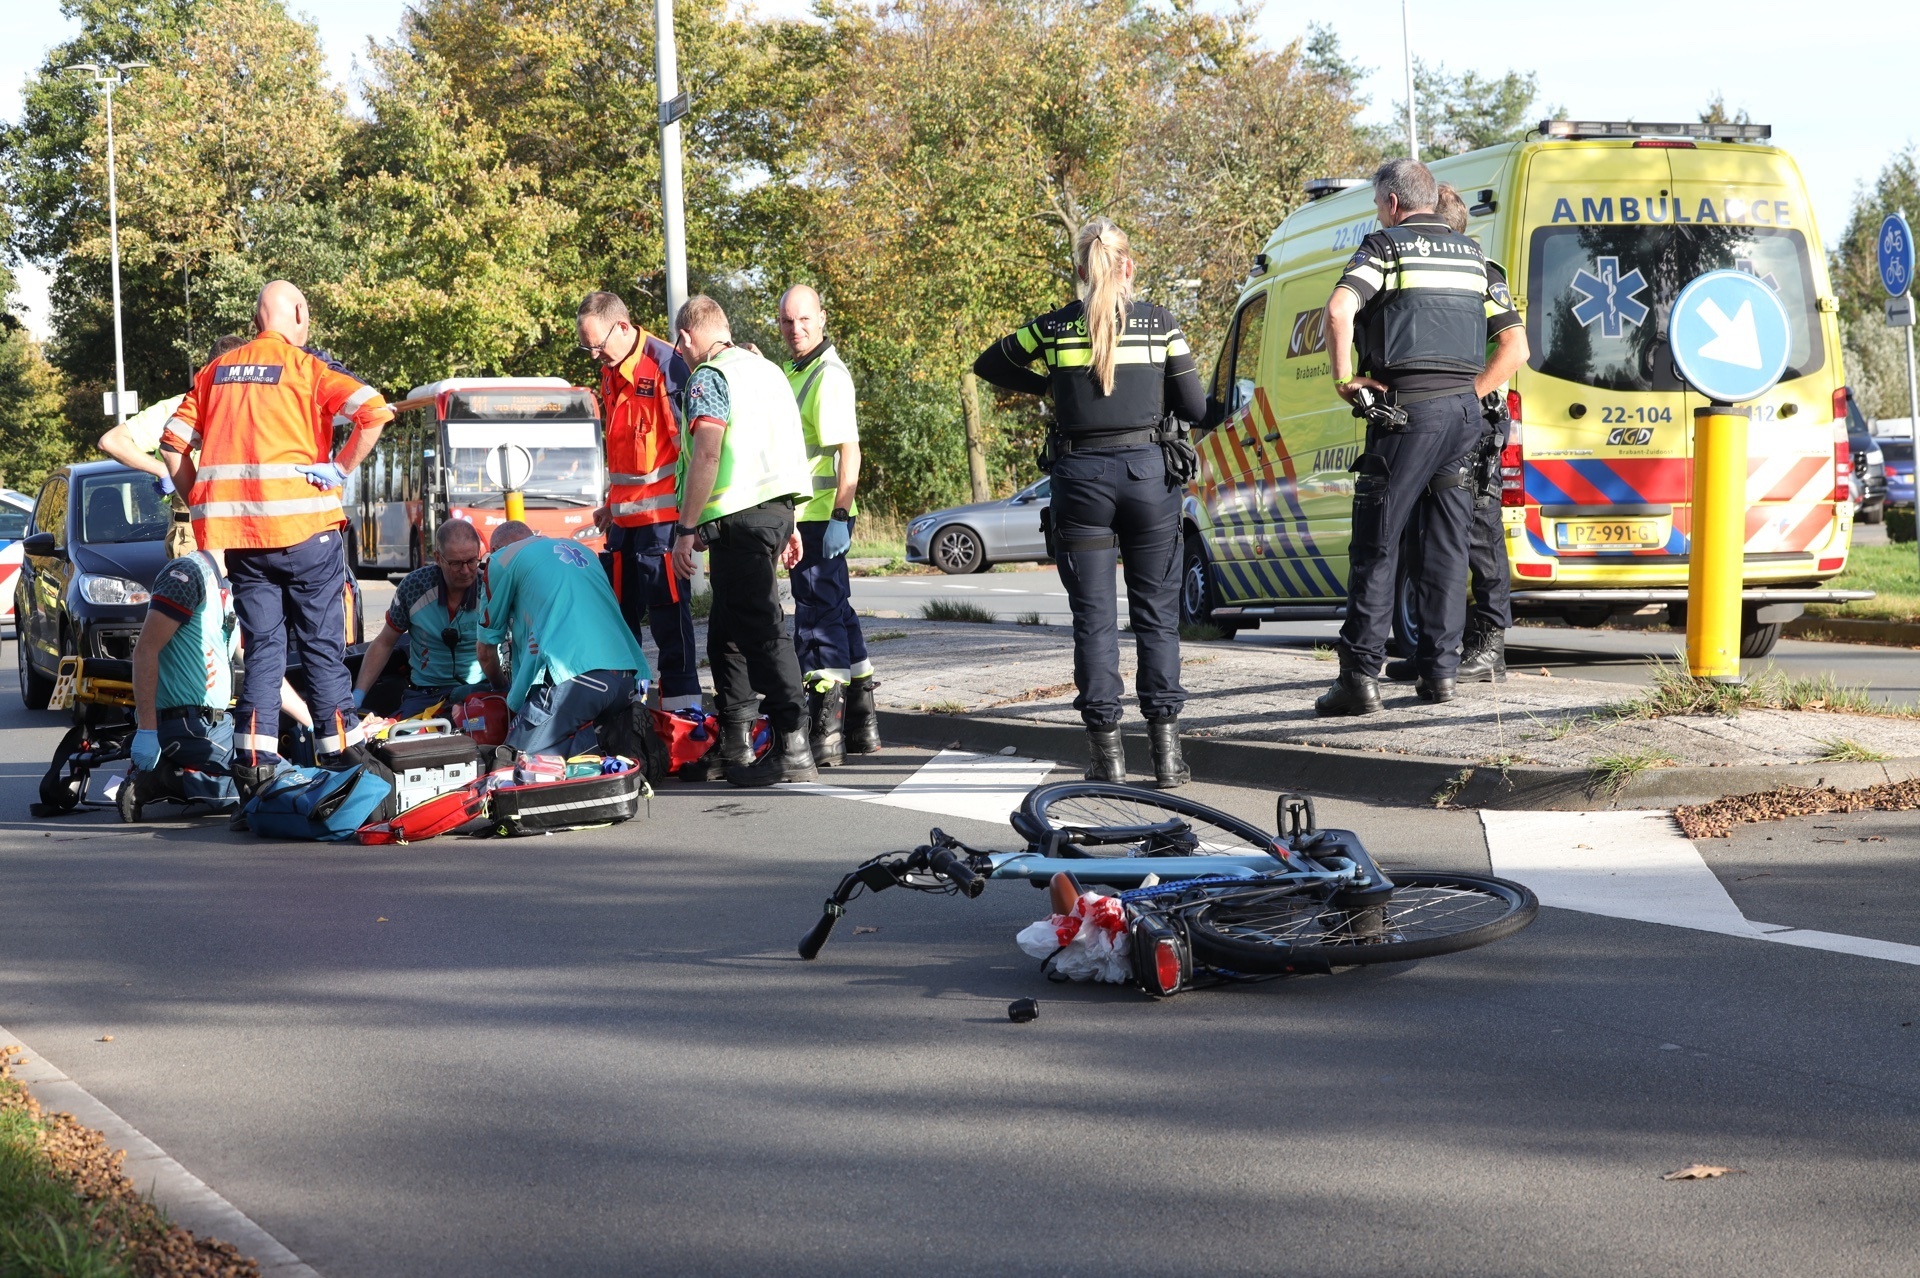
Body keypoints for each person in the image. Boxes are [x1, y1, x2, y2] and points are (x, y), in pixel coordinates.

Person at [972, 219, 1204, 787]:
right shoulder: (1160, 324)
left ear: (1080, 269)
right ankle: (1168, 759)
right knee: (1157, 619)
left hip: (1081, 482)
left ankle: (1108, 760)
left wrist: (1055, 384)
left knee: (1094, 623)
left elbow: (989, 364)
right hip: (1150, 477)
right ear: (1128, 266)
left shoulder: (1054, 329)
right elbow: (1194, 406)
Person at [158, 281, 392, 789]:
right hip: (308, 535)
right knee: (320, 647)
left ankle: (255, 766)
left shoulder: (214, 373)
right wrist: (340, 466)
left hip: (242, 539)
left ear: (255, 320)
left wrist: (199, 501)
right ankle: (343, 758)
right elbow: (375, 411)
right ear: (300, 314)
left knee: (263, 650)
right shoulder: (308, 369)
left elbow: (172, 443)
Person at [1316, 160, 1527, 716]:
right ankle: (1439, 675)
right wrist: (1466, 393)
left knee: (1378, 545)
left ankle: (1359, 678)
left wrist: (1345, 383)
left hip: (1403, 411)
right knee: (1446, 547)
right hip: (1464, 414)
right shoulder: (1478, 258)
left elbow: (1340, 309)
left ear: (1391, 202)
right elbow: (1517, 348)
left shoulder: (1385, 247)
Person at [668, 295, 816, 787]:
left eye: (679, 345)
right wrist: (790, 521)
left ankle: (793, 743)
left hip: (742, 521)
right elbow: (775, 445)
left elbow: (708, 454)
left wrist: (686, 528)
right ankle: (735, 743)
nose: (680, 353)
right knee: (728, 635)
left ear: (686, 338)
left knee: (761, 631)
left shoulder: (710, 377)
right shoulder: (766, 369)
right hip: (771, 512)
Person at [1386, 185, 1514, 685]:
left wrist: (1469, 396)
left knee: (1480, 532)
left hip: (1473, 422)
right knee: (1424, 538)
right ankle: (1432, 646)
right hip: (1435, 419)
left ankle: (1489, 644)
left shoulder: (1482, 270)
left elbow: (1512, 348)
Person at [577, 291, 703, 712]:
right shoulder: (613, 371)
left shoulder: (667, 366)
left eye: (597, 344)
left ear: (624, 327)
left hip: (664, 524)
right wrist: (612, 504)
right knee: (618, 619)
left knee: (669, 620)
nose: (595, 355)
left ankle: (684, 712)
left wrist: (692, 523)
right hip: (626, 525)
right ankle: (625, 707)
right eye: (587, 346)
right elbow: (627, 456)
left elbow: (692, 453)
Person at [776, 284, 881, 766]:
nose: (795, 329)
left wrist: (841, 513)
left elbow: (848, 452)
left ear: (822, 318)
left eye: (803, 320)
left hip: (822, 518)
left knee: (817, 622)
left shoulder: (827, 377)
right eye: (786, 322)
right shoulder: (799, 372)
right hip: (813, 516)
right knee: (836, 613)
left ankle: (828, 731)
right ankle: (862, 721)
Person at [125, 550, 316, 814]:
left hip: (215, 723)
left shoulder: (225, 586)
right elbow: (145, 650)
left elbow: (261, 669)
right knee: (277, 780)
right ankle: (163, 780)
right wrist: (147, 730)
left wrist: (311, 721)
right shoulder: (187, 575)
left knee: (266, 778)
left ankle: (169, 777)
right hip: (187, 724)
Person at [478, 521, 651, 758]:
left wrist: (500, 688)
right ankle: (617, 730)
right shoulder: (583, 551)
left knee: (513, 760)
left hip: (576, 678)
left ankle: (604, 742)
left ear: (496, 548)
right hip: (625, 677)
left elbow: (486, 650)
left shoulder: (502, 560)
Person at [99, 334, 247, 559]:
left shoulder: (249, 406)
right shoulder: (180, 407)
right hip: (197, 532)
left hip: (242, 527)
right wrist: (163, 470)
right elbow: (111, 441)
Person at [352, 519, 487, 717]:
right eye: (456, 563)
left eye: (472, 561)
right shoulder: (414, 587)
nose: (466, 570)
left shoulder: (491, 588)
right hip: (426, 693)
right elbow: (384, 643)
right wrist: (358, 694)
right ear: (438, 559)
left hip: (481, 691)